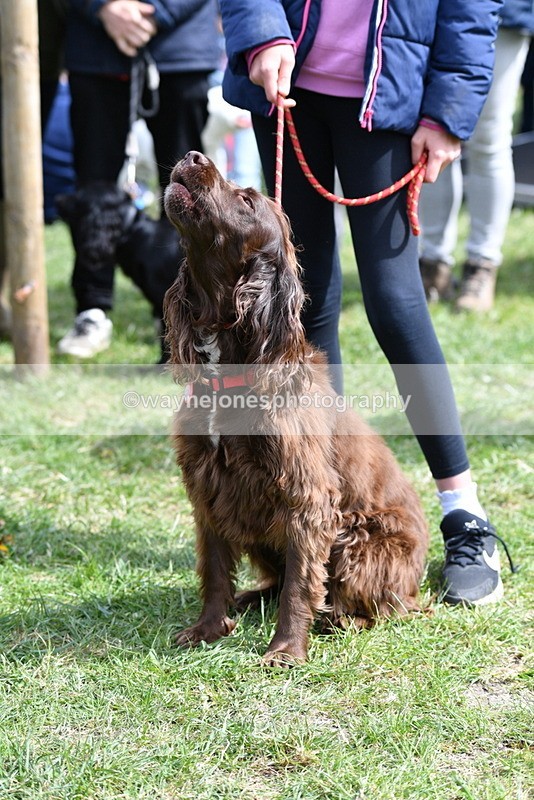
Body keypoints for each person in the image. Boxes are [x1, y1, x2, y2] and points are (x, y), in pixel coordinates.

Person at [219, 0, 514, 606]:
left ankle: (465, 517)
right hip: (287, 92)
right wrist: (263, 36)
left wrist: (448, 112)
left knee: (394, 301)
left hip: (389, 99)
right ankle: (320, 512)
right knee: (305, 300)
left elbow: (471, 10)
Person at [57, 0, 219, 358]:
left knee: (189, 195)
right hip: (95, 51)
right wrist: (103, 7)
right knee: (92, 192)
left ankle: (191, 316)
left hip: (180, 47)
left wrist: (157, 11)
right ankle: (92, 309)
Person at [419, 0, 534, 311]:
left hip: (505, 14)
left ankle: (482, 265)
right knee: (434, 132)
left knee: (490, 137)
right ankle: (433, 263)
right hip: (433, 10)